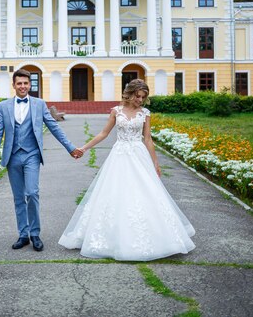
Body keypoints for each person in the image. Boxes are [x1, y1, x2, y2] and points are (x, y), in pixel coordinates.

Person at [58, 79, 195, 261]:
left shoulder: (145, 113)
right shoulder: (116, 111)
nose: (140, 100)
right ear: (129, 94)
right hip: (119, 155)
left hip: (139, 156)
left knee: (145, 192)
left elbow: (147, 139)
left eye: (143, 97)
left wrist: (155, 162)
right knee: (116, 193)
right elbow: (104, 134)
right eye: (137, 96)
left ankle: (158, 236)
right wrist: (84, 148)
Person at [0, 69, 84, 252]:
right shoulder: (4, 106)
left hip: (31, 154)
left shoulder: (39, 104)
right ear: (14, 85)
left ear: (30, 84)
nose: (23, 86)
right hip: (12, 156)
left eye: (26, 83)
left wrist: (70, 148)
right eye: (19, 83)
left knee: (32, 193)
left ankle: (35, 233)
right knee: (18, 197)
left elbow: (54, 128)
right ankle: (23, 235)